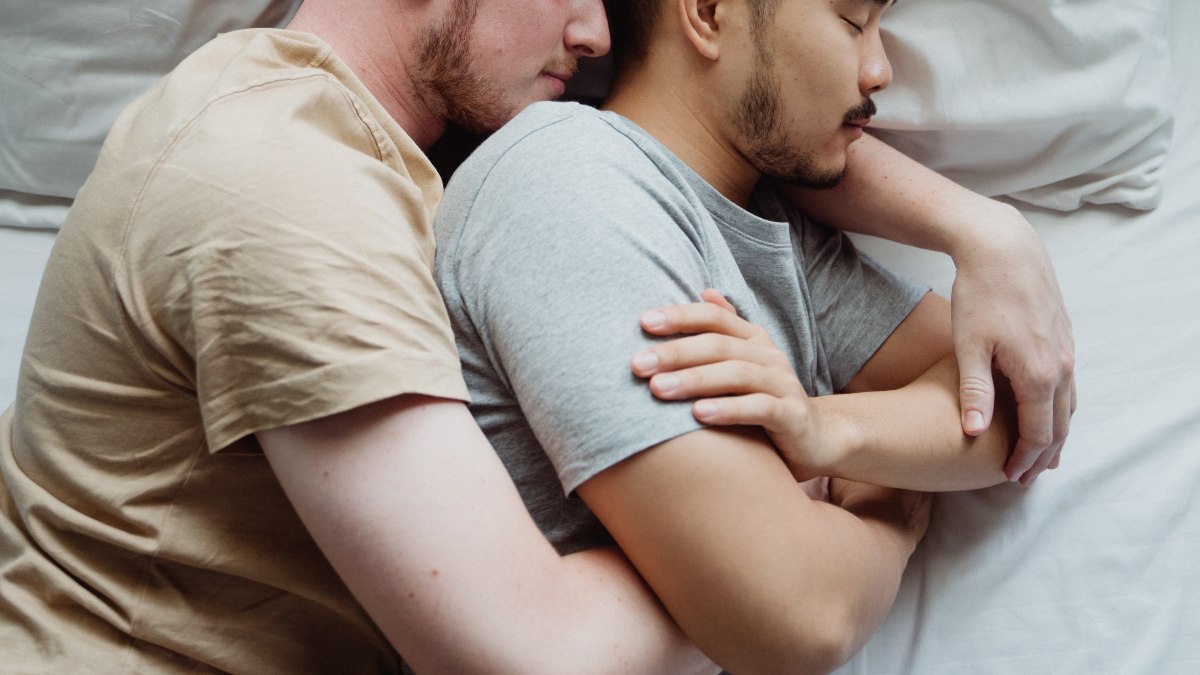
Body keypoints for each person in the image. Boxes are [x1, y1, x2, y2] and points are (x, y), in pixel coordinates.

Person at [0, 0, 1070, 672]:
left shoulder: (416, 146)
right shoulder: (280, 176)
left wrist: (979, 229)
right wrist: (846, 514)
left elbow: (714, 113)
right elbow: (542, 652)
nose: (601, 33)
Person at [432, 0, 1050, 671]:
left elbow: (1014, 401)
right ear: (707, 12)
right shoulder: (567, 180)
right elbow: (803, 615)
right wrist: (893, 518)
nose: (880, 70)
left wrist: (830, 429)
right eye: (852, 21)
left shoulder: (768, 231)